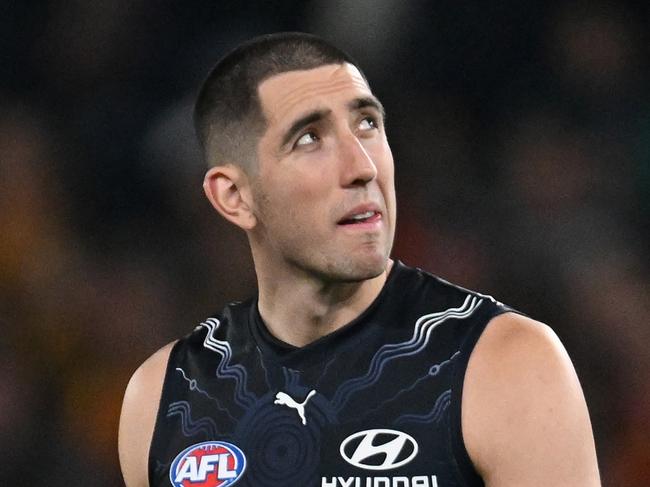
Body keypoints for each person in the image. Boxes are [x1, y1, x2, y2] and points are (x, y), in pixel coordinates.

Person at [118, 32, 600, 487]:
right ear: (235, 197)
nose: (362, 167)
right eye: (309, 138)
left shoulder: (506, 366)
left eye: (367, 124)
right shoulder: (164, 398)